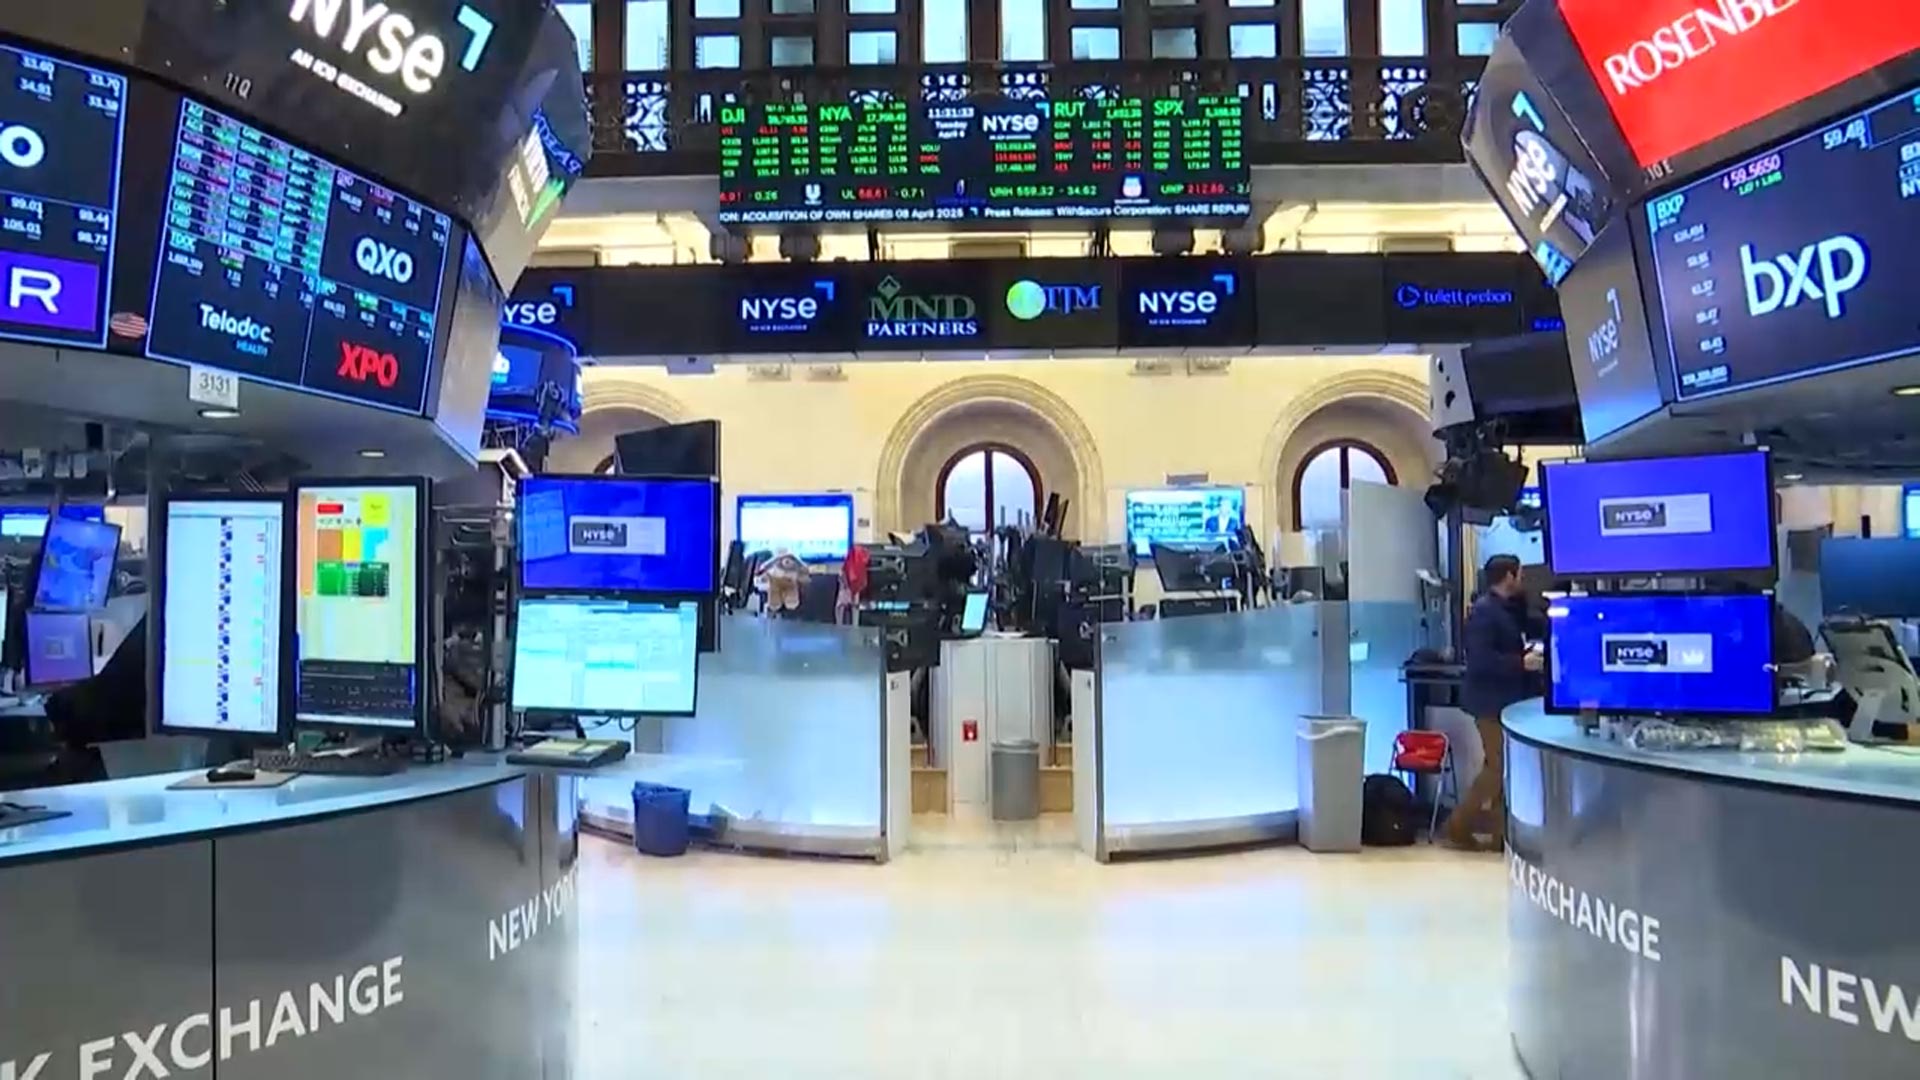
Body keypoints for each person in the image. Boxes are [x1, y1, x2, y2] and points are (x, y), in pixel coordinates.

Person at [1448, 555, 1541, 851]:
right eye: (1520, 574)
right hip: (1489, 703)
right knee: (1497, 767)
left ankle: (1502, 835)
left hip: (1505, 701)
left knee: (1505, 769)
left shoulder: (1506, 609)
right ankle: (1457, 826)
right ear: (1509, 576)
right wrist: (1520, 663)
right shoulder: (1485, 612)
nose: (1523, 579)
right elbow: (1481, 660)